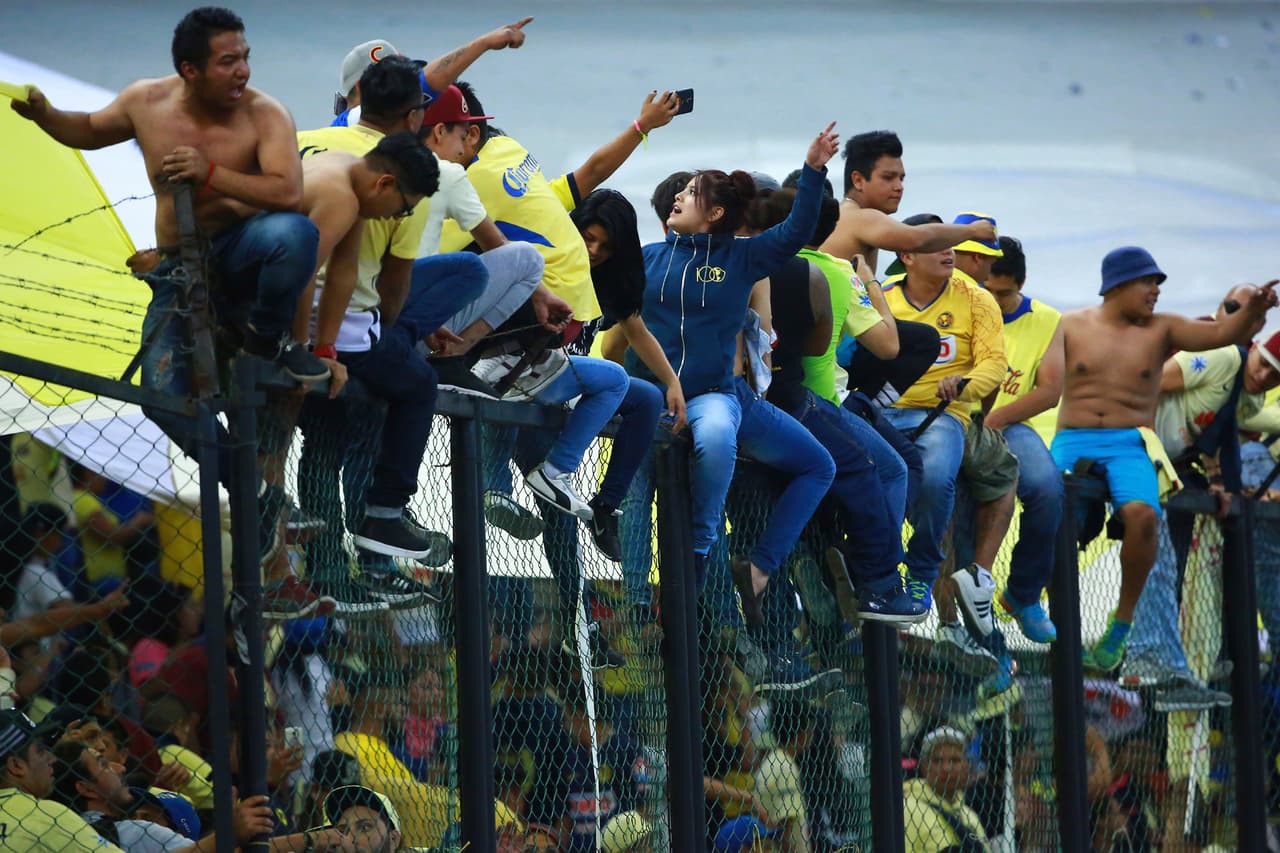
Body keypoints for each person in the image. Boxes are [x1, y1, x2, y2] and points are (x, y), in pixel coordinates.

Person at [10, 6, 329, 434]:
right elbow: (88, 127)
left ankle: (265, 341)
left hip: (242, 247)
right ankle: (246, 488)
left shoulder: (266, 114)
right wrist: (45, 115)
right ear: (190, 70)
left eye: (245, 57)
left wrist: (211, 173)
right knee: (161, 399)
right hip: (180, 265)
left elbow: (288, 192)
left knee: (295, 233)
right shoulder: (146, 101)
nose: (244, 72)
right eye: (228, 61)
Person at [638, 125, 840, 615]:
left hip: (716, 395)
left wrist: (813, 169)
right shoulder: (646, 259)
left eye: (691, 193)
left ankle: (744, 564)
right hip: (656, 397)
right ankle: (659, 585)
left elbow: (796, 229)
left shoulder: (745, 256)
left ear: (717, 213)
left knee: (814, 464)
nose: (679, 197)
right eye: (681, 192)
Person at [1052, 246, 1276, 671]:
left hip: (1131, 442)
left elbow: (1220, 336)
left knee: (1144, 517)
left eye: (1159, 283)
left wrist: (1253, 314)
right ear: (1118, 283)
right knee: (1055, 516)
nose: (1156, 290)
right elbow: (1038, 379)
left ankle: (1120, 627)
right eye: (1148, 281)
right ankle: (1040, 609)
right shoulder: (1070, 324)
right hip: (1073, 439)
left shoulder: (1166, 329)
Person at [747, 188, 924, 625]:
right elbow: (846, 344)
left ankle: (811, 566)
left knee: (829, 474)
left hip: (723, 402)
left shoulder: (723, 263)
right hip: (796, 398)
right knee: (871, 469)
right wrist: (872, 284)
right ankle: (877, 579)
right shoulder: (818, 273)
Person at [879, 219, 1009, 628]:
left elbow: (995, 363)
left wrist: (966, 383)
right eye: (936, 244)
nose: (949, 251)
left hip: (941, 416)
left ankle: (919, 576)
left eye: (952, 244)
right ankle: (872, 576)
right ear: (907, 256)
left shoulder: (976, 298)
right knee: (863, 484)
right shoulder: (880, 298)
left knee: (936, 479)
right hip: (880, 414)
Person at [981, 236, 1064, 643]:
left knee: (1048, 487)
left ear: (1022, 283)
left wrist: (994, 420)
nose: (995, 301)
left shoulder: (1047, 319)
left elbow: (1049, 391)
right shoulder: (968, 307)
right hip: (958, 420)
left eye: (1005, 293)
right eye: (989, 291)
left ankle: (1024, 593)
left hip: (1009, 424)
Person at [332, 18, 532, 126]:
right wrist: (485, 43)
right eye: (390, 78)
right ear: (361, 87)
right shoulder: (349, 123)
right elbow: (428, 80)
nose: (404, 86)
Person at [903, 727, 990, 852]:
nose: (946, 768)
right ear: (924, 766)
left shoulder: (970, 816)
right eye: (937, 761)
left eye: (954, 760)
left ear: (966, 766)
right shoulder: (908, 809)